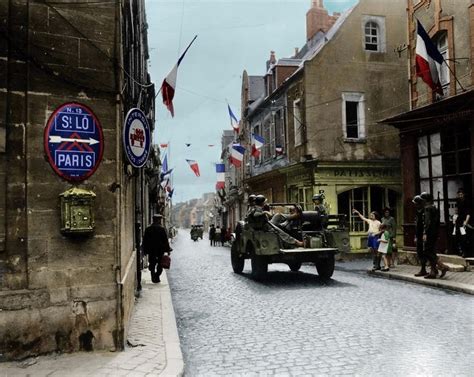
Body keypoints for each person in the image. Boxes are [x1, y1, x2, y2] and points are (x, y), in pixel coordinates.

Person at [420, 192, 448, 279]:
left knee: (427, 251)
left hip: (430, 233)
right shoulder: (434, 207)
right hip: (435, 232)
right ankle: (434, 271)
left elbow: (427, 222)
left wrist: (425, 233)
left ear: (425, 200)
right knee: (431, 251)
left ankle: (442, 266)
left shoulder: (427, 208)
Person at [143, 214, 172, 283]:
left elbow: (145, 240)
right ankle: (157, 276)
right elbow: (165, 240)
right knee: (160, 264)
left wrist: (145, 250)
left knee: (152, 264)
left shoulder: (148, 229)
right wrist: (168, 250)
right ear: (159, 220)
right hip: (160, 250)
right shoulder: (162, 229)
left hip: (151, 250)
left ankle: (153, 276)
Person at [453, 188, 472, 257]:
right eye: (459, 195)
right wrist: (454, 219)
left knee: (464, 237)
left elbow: (468, 213)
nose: (460, 196)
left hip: (464, 221)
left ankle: (465, 252)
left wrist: (466, 222)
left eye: (461, 194)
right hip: (459, 221)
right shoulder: (458, 202)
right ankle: (460, 251)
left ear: (463, 195)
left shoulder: (467, 202)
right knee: (457, 236)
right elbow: (456, 211)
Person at [413, 195, 428, 277]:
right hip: (418, 234)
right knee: (419, 252)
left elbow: (425, 223)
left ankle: (425, 269)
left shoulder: (424, 211)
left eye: (416, 203)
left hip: (423, 234)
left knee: (425, 252)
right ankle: (423, 269)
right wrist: (415, 235)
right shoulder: (417, 211)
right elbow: (416, 224)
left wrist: (425, 233)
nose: (415, 205)